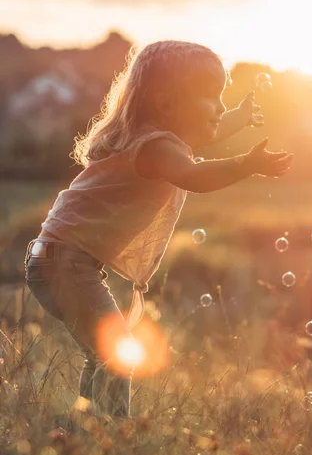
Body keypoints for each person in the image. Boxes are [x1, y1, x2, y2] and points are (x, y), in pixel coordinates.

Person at [24, 40, 294, 418]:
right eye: (211, 97)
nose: (219, 107)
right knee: (117, 354)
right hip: (64, 262)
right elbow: (195, 175)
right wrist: (246, 164)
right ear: (167, 104)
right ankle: (111, 440)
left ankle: (87, 431)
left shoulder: (153, 139)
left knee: (103, 354)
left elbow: (206, 132)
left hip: (56, 258)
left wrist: (238, 116)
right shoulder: (154, 147)